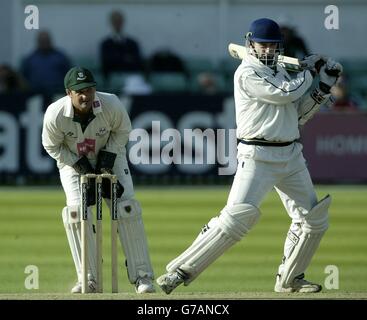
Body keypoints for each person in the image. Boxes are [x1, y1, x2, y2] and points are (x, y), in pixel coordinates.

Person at [157, 18, 342, 294]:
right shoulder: (246, 73)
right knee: (236, 219)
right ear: (250, 44)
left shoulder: (281, 71)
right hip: (257, 156)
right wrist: (309, 69)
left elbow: (298, 114)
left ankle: (290, 279)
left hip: (291, 155)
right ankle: (179, 271)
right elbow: (284, 93)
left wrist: (323, 88)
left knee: (314, 219)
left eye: (272, 45)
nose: (267, 50)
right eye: (262, 44)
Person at [41, 66, 155, 294]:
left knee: (126, 208)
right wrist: (78, 164)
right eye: (79, 91)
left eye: (89, 89)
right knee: (77, 213)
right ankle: (89, 278)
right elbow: (51, 145)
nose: (85, 95)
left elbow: (123, 131)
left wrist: (107, 159)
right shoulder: (55, 114)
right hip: (73, 161)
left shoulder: (111, 104)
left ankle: (143, 277)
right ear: (69, 93)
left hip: (110, 155)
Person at [100, 10, 143, 79]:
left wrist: (117, 59)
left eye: (119, 21)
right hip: (112, 78)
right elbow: (106, 63)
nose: (117, 24)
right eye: (115, 21)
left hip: (131, 77)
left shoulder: (132, 43)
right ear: (111, 23)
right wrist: (126, 59)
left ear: (123, 22)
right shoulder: (105, 44)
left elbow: (137, 62)